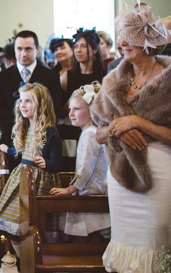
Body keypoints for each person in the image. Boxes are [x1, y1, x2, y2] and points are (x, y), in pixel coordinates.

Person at [90, 3, 171, 273]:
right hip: (121, 176)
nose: (121, 42)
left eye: (130, 36)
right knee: (124, 243)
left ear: (149, 41)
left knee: (156, 243)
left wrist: (138, 122)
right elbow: (98, 134)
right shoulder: (112, 82)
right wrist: (117, 128)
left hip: (162, 174)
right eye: (121, 35)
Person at [0, 83, 62, 257]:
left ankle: (32, 263)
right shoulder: (25, 128)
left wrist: (47, 163)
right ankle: (26, 262)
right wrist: (8, 150)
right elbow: (22, 152)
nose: (23, 105)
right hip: (22, 179)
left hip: (39, 183)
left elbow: (57, 163)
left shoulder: (50, 131)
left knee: (31, 227)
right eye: (21, 101)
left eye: (28, 101)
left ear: (41, 104)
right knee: (13, 227)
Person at [50, 83, 110, 242]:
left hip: (90, 193)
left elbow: (85, 168)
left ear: (91, 112)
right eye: (70, 109)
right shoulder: (90, 132)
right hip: (90, 190)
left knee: (85, 239)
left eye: (77, 109)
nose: (71, 114)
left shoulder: (90, 134)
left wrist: (70, 189)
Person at [0, 30, 62, 147]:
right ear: (14, 49)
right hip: (11, 139)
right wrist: (20, 129)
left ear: (37, 49)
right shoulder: (2, 77)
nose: (23, 54)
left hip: (42, 140)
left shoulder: (51, 76)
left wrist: (34, 129)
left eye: (28, 49)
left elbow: (54, 108)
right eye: (19, 49)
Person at [65, 28, 105, 104]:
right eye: (76, 46)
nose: (78, 50)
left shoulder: (104, 75)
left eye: (83, 46)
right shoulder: (67, 76)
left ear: (95, 50)